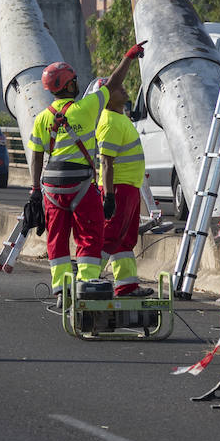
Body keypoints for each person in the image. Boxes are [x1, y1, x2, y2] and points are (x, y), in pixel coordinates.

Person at [27, 42, 145, 295]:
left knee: (57, 238)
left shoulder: (42, 118)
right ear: (69, 85)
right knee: (90, 234)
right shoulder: (87, 108)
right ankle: (87, 284)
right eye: (74, 80)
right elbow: (113, 83)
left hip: (51, 187)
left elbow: (36, 157)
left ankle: (61, 289)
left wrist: (35, 190)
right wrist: (127, 57)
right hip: (80, 184)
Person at [90, 78, 153, 298]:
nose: (123, 88)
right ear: (107, 98)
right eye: (117, 88)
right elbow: (106, 163)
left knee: (124, 239)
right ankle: (88, 280)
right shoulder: (109, 122)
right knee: (110, 236)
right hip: (118, 188)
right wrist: (109, 196)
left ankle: (126, 286)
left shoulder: (119, 118)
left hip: (129, 187)